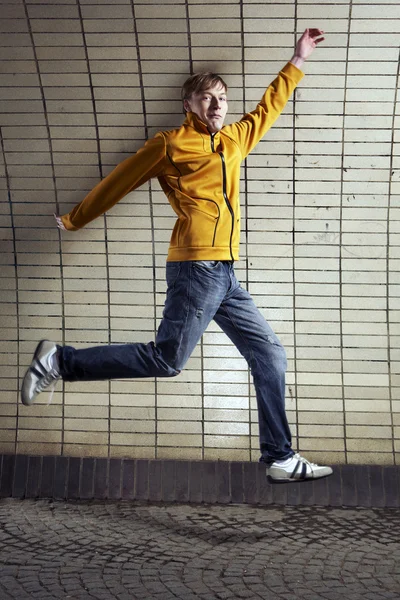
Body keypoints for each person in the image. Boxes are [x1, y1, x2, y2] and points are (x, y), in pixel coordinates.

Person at [21, 28, 332, 483]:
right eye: (206, 98)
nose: (217, 105)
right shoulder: (170, 143)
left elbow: (269, 106)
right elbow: (119, 181)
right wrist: (75, 218)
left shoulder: (235, 139)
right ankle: (58, 361)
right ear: (189, 105)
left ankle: (279, 456)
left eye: (221, 98)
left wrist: (298, 59)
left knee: (269, 355)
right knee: (167, 360)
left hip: (224, 274)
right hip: (194, 268)